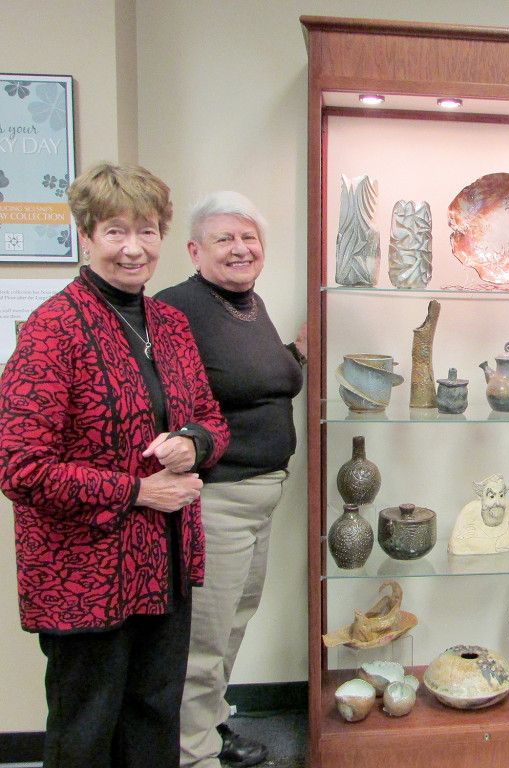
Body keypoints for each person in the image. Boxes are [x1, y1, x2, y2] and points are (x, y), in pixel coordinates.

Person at [0, 163, 229, 768]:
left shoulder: (171, 324)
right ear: (86, 236)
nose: (134, 248)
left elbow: (210, 416)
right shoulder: (54, 327)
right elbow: (20, 466)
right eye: (116, 232)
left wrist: (193, 443)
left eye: (148, 231)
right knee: (87, 731)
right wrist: (137, 492)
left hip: (165, 565)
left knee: (155, 720)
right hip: (84, 573)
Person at [155, 191, 306, 768]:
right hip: (214, 501)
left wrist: (297, 354)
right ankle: (193, 757)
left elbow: (248, 379)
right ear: (195, 250)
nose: (240, 249)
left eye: (249, 238)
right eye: (224, 239)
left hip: (262, 498)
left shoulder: (250, 304)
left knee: (234, 625)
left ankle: (213, 730)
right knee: (202, 642)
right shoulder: (176, 309)